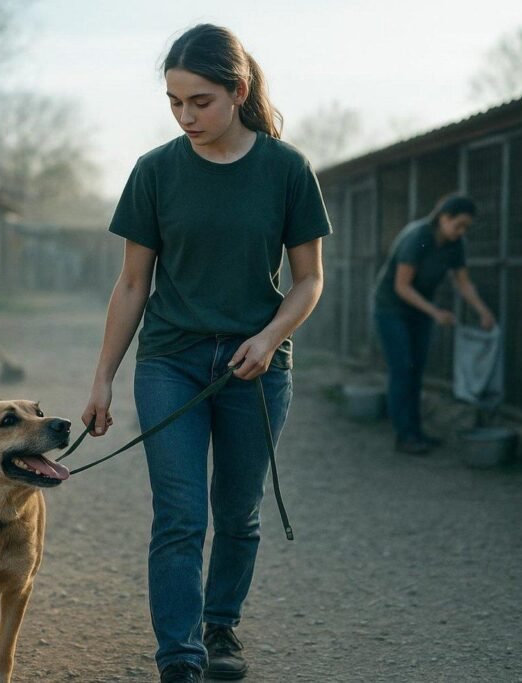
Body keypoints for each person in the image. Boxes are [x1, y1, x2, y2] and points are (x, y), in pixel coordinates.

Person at [81, 24, 331, 683]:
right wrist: (103, 378)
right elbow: (132, 284)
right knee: (181, 515)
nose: (185, 116)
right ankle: (181, 658)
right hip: (171, 361)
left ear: (238, 92)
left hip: (256, 369)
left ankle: (220, 625)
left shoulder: (287, 169)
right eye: (174, 102)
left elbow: (309, 279)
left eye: (200, 101)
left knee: (238, 513)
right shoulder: (155, 171)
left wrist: (270, 337)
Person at [372, 194, 496, 455]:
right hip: (391, 308)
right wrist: (435, 312)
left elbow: (463, 282)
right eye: (459, 225)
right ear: (443, 217)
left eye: (466, 227)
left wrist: (483, 311)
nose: (461, 231)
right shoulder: (417, 237)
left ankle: (416, 432)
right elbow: (402, 286)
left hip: (421, 310)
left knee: (416, 370)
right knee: (402, 368)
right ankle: (405, 435)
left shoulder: (456, 244)